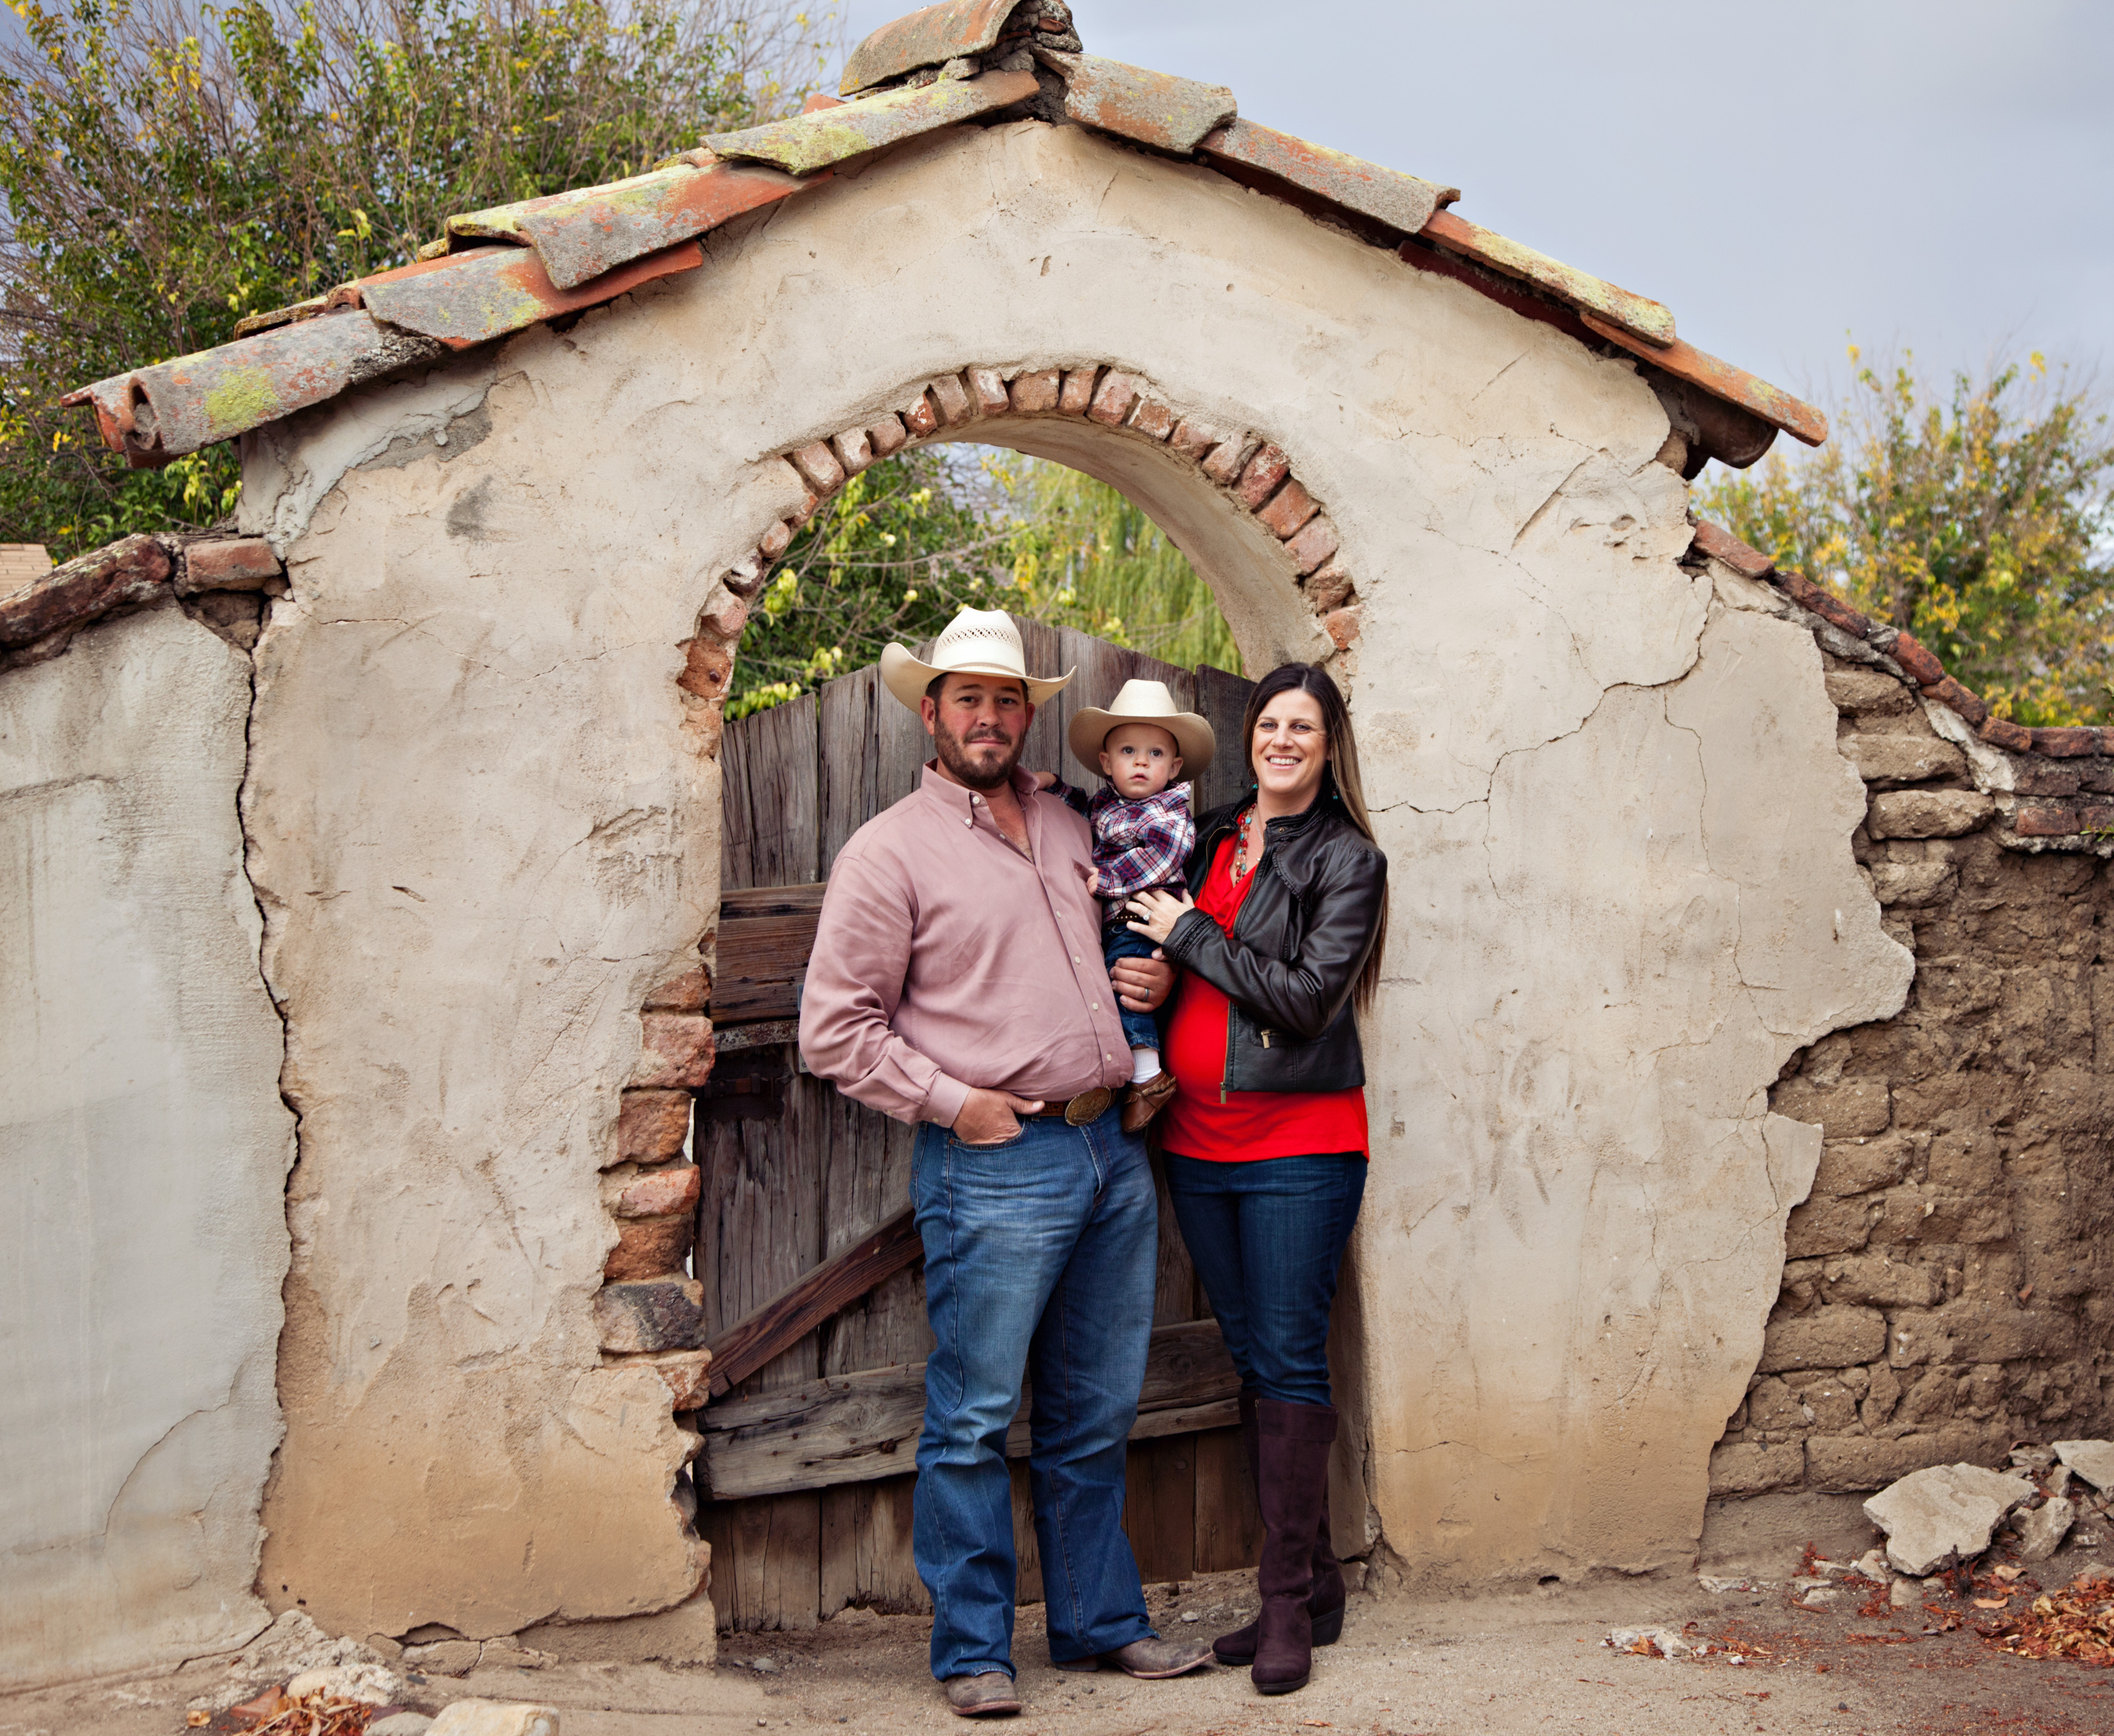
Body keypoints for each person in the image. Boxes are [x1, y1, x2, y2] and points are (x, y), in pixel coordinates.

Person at [798, 608, 1214, 1718]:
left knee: (1096, 1407)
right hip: (997, 1161)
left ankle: (1099, 1621)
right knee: (976, 1415)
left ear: (1027, 714)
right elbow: (834, 1030)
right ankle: (974, 1649)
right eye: (968, 698)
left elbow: (1118, 944)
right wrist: (956, 1104)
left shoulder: (1076, 824)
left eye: (1006, 699)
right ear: (930, 713)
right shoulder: (888, 852)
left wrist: (1155, 981)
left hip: (1111, 1148)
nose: (988, 717)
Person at [1123, 662, 1388, 1698]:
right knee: (1254, 1359)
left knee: (1287, 1360)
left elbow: (1310, 997)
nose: (1282, 739)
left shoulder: (1349, 859)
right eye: (1270, 723)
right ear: (1251, 737)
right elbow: (1174, 955)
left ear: (1328, 746)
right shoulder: (1209, 834)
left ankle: (1282, 1605)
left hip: (1299, 1146)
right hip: (1197, 1142)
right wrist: (1157, 971)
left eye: (1303, 727)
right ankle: (1313, 1583)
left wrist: (1189, 934)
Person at [1039, 677, 1217, 1132]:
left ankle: (1148, 1076)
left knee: (1128, 985)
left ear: (1174, 767)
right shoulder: (1108, 804)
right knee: (1104, 988)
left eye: (1155, 754)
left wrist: (1110, 879)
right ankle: (1119, 1071)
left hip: (1144, 916)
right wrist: (1055, 787)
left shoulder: (1169, 812)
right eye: (1128, 752)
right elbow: (1084, 809)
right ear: (1107, 763)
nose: (1141, 762)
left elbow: (1163, 856)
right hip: (1118, 919)